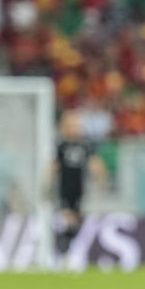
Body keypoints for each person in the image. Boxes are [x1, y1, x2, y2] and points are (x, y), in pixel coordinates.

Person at [50, 109, 107, 256]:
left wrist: (101, 178)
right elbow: (54, 165)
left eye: (75, 124)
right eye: (70, 124)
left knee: (77, 224)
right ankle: (62, 250)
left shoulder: (85, 145)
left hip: (80, 189)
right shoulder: (61, 145)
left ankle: (62, 245)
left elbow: (94, 163)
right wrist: (48, 184)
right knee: (69, 220)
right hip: (64, 189)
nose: (73, 127)